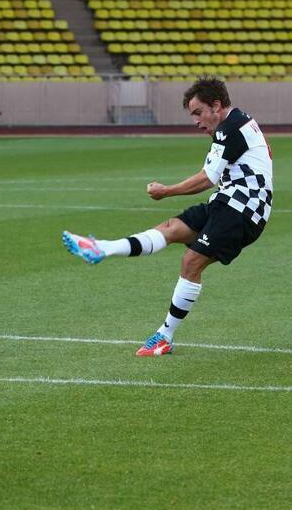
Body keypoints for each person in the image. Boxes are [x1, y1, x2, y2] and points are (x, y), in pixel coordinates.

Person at [63, 77, 272, 357]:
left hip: (243, 209)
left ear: (217, 105)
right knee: (171, 228)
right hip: (228, 202)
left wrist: (167, 191)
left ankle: (164, 336)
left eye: (198, 113)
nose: (196, 121)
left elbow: (208, 177)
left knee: (191, 262)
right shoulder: (234, 123)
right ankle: (103, 248)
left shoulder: (230, 128)